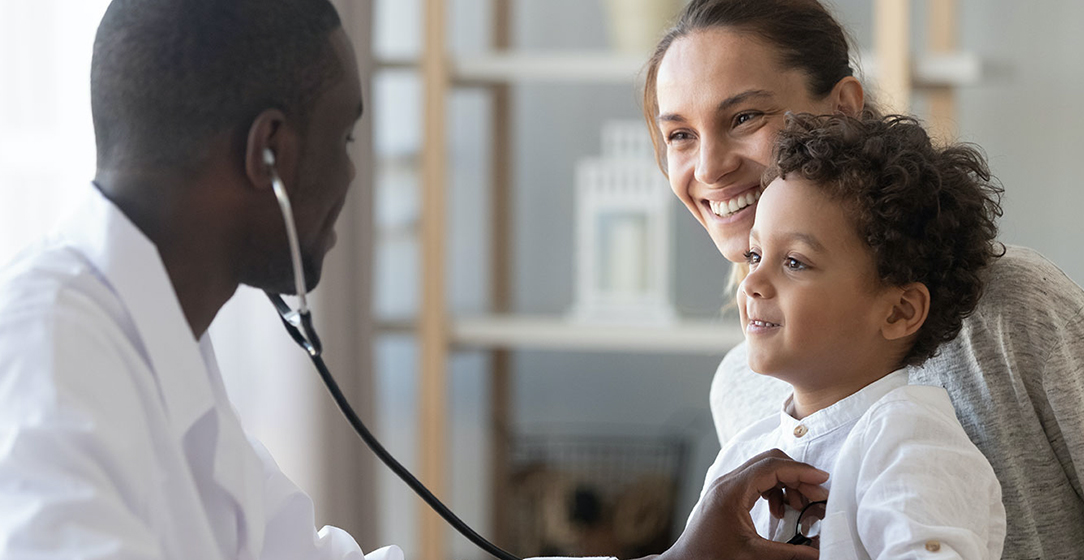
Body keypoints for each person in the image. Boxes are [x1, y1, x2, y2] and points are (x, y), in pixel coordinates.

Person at [0, 1, 831, 559]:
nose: (355, 178)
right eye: (348, 137)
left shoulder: (154, 352)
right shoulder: (41, 358)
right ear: (270, 155)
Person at [643, 0, 1084, 558]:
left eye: (744, 117)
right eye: (680, 134)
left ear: (844, 109)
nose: (707, 169)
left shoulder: (1015, 309)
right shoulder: (745, 387)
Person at [697, 111, 1006, 557]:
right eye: (755, 254)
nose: (751, 283)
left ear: (899, 311)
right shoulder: (745, 455)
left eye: (795, 262)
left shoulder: (911, 443)